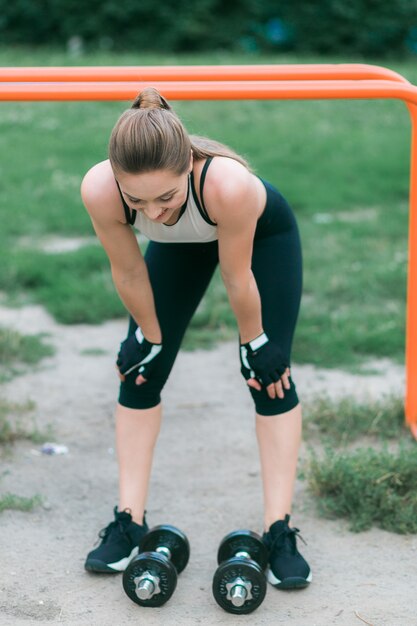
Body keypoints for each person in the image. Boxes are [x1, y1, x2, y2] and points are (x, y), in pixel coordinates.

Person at [81, 87, 311, 589]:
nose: (154, 212)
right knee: (140, 371)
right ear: (117, 179)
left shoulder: (228, 184)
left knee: (266, 377)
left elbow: (237, 277)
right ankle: (128, 521)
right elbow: (128, 270)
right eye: (137, 200)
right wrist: (149, 336)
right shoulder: (99, 188)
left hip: (257, 242)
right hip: (180, 250)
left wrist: (257, 344)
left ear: (187, 164)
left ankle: (278, 530)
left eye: (165, 196)